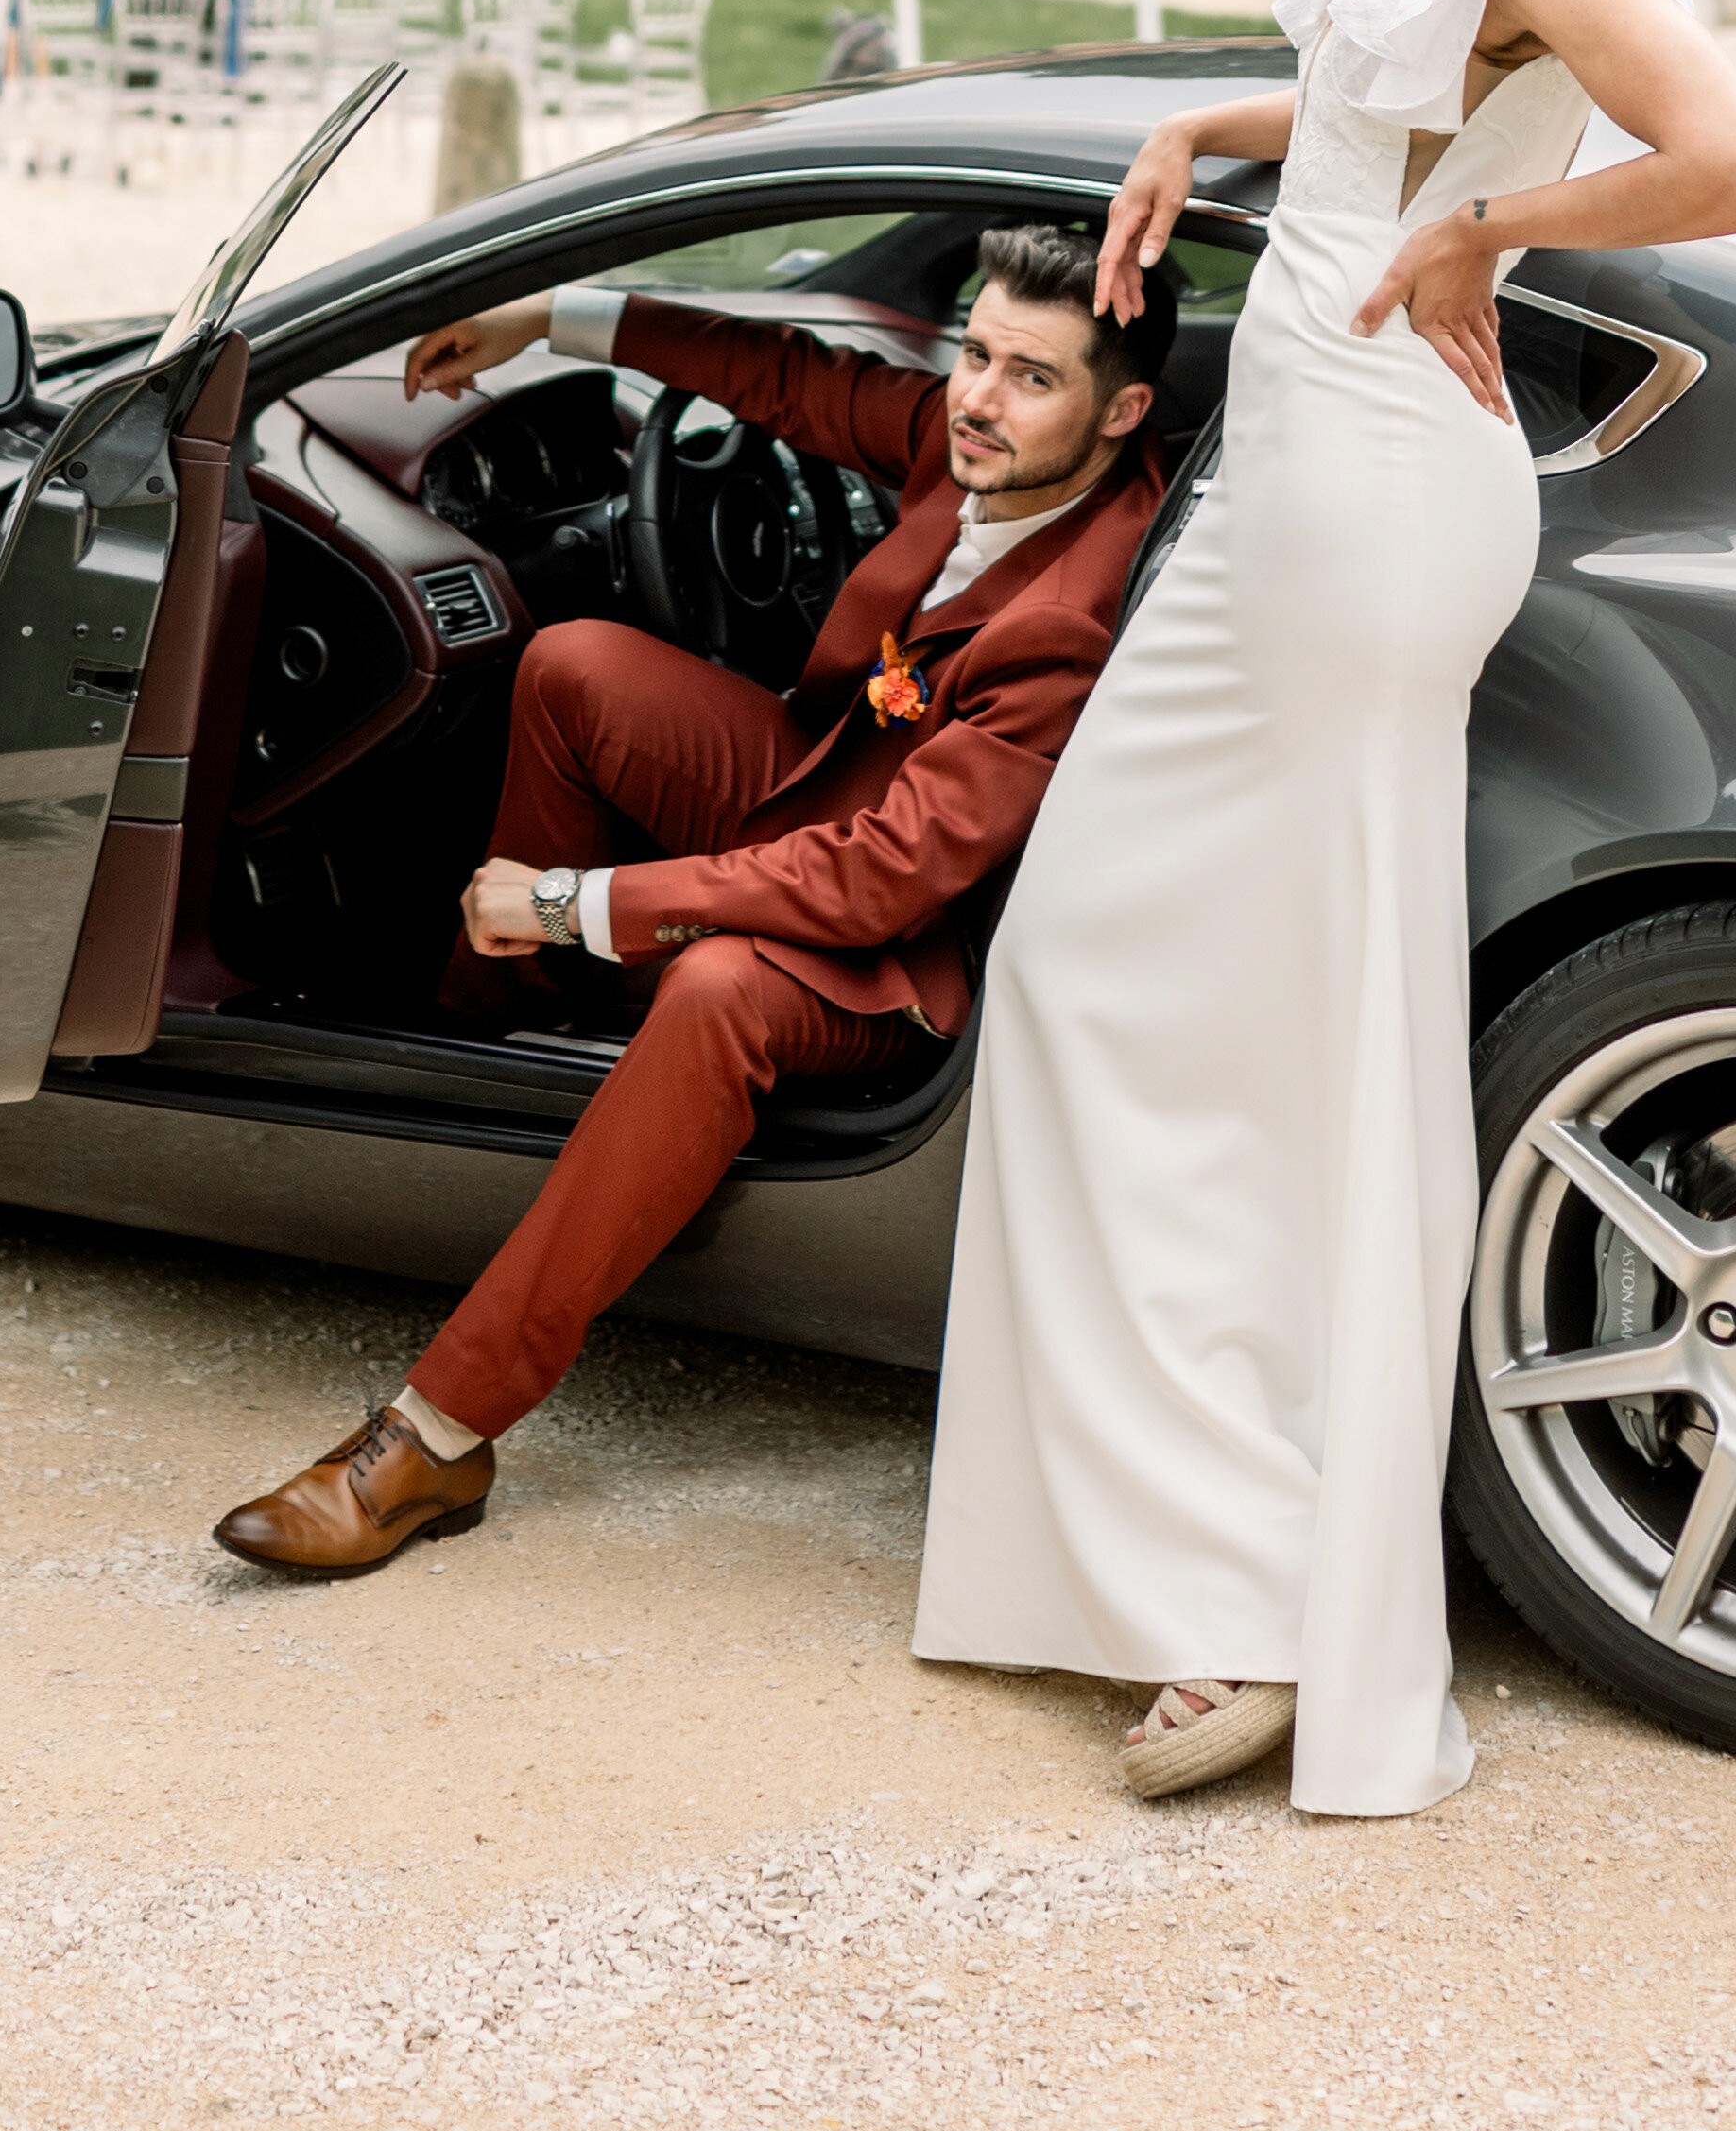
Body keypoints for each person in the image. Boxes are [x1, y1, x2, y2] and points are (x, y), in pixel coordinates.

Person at [912, 0, 1736, 1815]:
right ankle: (1207, 1555)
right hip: (1310, 474)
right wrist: (1206, 131)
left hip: (1370, 489)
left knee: (1293, 1036)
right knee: (1111, 977)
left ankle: (1275, 1607)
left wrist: (1484, 243)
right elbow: (1373, 112)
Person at [212, 219, 1177, 1576]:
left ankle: (439, 1437)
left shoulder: (1068, 617)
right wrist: (547, 316)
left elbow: (881, 880)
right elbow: (781, 374)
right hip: (818, 790)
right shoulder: (972, 440)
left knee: (719, 986)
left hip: (902, 948)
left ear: (1121, 413)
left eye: (1032, 378)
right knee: (576, 666)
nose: (977, 398)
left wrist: (575, 902)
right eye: (976, 356)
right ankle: (487, 1031)